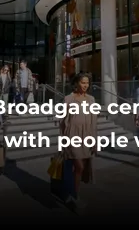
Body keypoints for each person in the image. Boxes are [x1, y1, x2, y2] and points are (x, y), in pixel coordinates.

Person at [60, 72, 97, 208]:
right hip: (72, 136)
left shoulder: (91, 99)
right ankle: (75, 196)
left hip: (86, 136)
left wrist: (94, 140)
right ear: (76, 83)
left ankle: (71, 192)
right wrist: (62, 140)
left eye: (87, 83)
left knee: (79, 169)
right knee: (79, 166)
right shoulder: (68, 99)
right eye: (82, 82)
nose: (85, 85)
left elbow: (94, 121)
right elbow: (62, 121)